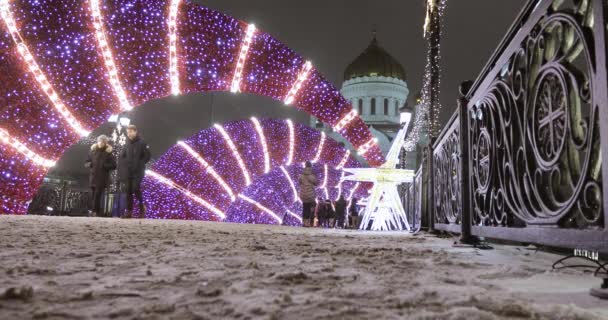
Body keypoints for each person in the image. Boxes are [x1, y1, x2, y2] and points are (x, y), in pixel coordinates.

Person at [118, 125, 151, 219]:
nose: (129, 134)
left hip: (138, 171)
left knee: (135, 188)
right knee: (128, 190)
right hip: (128, 171)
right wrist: (124, 164)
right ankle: (128, 211)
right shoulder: (126, 143)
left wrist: (140, 163)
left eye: (131, 132)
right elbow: (122, 156)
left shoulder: (142, 143)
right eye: (128, 132)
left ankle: (141, 207)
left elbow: (147, 156)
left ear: (135, 132)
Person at [85, 135, 116, 217]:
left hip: (102, 178)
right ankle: (92, 210)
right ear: (97, 141)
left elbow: (114, 165)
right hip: (93, 177)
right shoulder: (92, 151)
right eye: (99, 141)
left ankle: (94, 211)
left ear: (105, 143)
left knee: (97, 195)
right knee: (91, 194)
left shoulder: (108, 153)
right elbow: (86, 162)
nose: (101, 143)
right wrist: (89, 164)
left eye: (103, 142)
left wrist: (105, 166)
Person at [298, 161, 318, 227]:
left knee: (304, 207)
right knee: (309, 208)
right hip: (310, 194)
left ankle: (304, 222)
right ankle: (307, 223)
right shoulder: (312, 176)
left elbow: (299, 182)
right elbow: (316, 183)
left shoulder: (301, 175)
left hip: (303, 194)